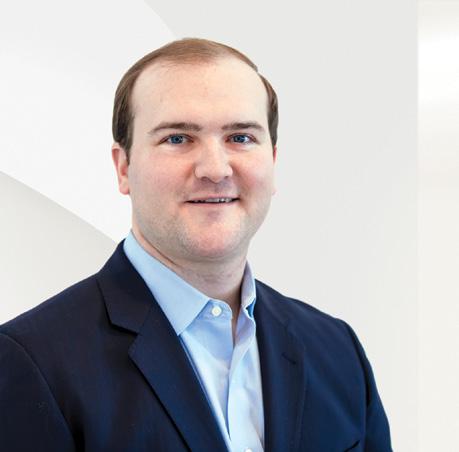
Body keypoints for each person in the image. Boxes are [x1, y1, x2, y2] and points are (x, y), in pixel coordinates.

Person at [0, 38, 392, 451]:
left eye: (240, 137)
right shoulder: (32, 361)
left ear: (273, 162)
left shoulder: (338, 351)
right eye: (177, 138)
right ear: (124, 167)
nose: (215, 169)